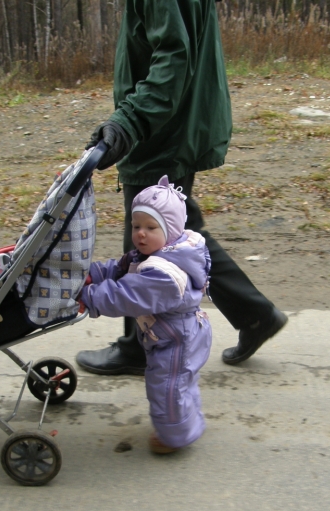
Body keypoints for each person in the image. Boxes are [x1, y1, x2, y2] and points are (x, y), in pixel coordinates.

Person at [77, 0, 286, 376]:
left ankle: (143, 345)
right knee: (177, 233)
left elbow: (173, 57)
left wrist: (129, 121)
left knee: (149, 237)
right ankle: (253, 315)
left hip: (161, 130)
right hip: (170, 121)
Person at [79, 177, 211, 453]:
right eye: (136, 226)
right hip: (172, 334)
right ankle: (187, 422)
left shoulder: (163, 275)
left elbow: (125, 296)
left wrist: (88, 296)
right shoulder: (152, 254)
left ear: (170, 230)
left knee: (167, 387)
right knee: (180, 382)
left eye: (151, 227)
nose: (141, 233)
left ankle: (174, 437)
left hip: (177, 340)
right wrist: (91, 275)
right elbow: (120, 269)